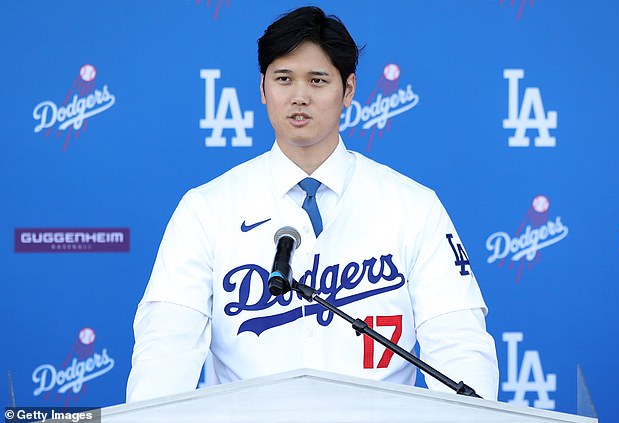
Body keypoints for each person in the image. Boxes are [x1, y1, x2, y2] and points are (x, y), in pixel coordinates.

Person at [126, 5, 499, 402]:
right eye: (283, 79)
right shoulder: (206, 210)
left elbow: (459, 346)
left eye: (318, 80)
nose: (299, 96)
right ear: (262, 89)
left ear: (348, 90)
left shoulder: (414, 207)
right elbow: (165, 352)